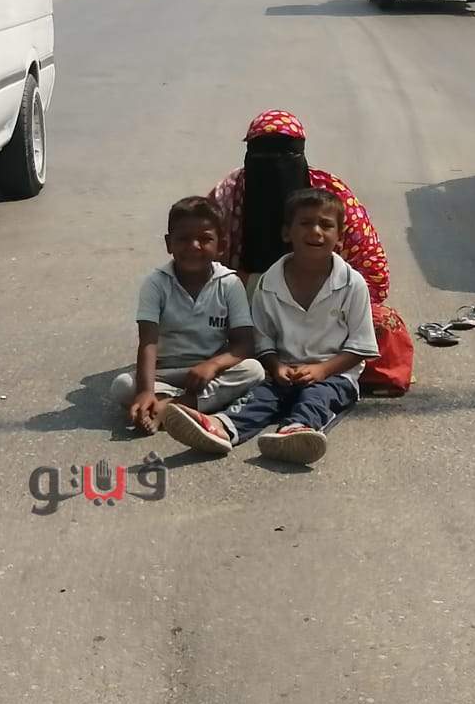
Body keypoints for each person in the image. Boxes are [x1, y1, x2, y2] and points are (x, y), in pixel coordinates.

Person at [161, 188, 379, 464]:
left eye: (325, 225)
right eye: (305, 223)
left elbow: (361, 346)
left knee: (317, 398)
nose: (315, 231)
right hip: (283, 373)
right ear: (287, 233)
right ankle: (221, 427)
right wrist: (276, 366)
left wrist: (322, 369)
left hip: (334, 375)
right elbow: (262, 339)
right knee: (259, 397)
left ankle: (297, 431)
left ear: (339, 235)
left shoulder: (352, 283)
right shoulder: (269, 282)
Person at [110, 196, 265, 434]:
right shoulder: (156, 283)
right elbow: (148, 341)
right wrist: (145, 391)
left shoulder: (229, 283)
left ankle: (172, 407)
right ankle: (169, 402)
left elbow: (244, 345)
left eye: (205, 239)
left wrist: (212, 365)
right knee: (122, 386)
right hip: (166, 372)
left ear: (221, 245)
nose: (193, 246)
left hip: (208, 372)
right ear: (168, 243)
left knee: (254, 370)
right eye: (183, 239)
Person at [208, 109, 390, 304]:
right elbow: (202, 260)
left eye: (286, 153)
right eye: (263, 154)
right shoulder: (229, 193)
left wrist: (326, 300)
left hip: (325, 303)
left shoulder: (329, 193)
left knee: (385, 319)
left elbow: (374, 274)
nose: (275, 166)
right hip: (244, 299)